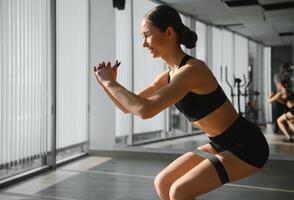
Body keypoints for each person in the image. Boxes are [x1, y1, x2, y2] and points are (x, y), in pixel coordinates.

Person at [93, 5, 269, 200]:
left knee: (180, 191)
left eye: (147, 35)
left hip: (246, 145)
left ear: (169, 32)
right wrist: (107, 84)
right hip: (218, 143)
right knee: (163, 183)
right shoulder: (167, 76)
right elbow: (128, 108)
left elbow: (145, 110)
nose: (144, 43)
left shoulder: (192, 71)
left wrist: (110, 82)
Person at [272, 63, 291, 133]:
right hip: (279, 96)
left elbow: (289, 85)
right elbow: (280, 85)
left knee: (286, 113)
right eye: (284, 68)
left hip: (286, 96)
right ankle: (276, 129)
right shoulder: (277, 75)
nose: (285, 70)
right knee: (277, 113)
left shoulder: (287, 76)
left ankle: (286, 129)